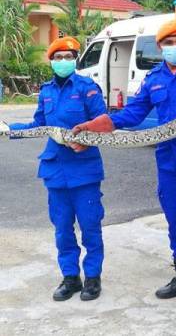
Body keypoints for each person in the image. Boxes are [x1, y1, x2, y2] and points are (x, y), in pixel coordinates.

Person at [73, 20, 176, 314]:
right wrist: (102, 124)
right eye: (170, 43)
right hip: (168, 161)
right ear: (160, 47)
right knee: (175, 221)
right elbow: (134, 113)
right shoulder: (153, 78)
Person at [2, 37, 106, 301]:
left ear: (75, 59)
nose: (63, 62)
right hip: (55, 171)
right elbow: (38, 124)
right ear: (51, 62)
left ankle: (92, 278)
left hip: (84, 170)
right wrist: (8, 129)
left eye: (68, 57)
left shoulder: (87, 88)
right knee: (62, 229)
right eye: (58, 58)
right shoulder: (46, 91)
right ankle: (70, 277)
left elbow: (102, 124)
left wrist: (85, 139)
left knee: (90, 226)